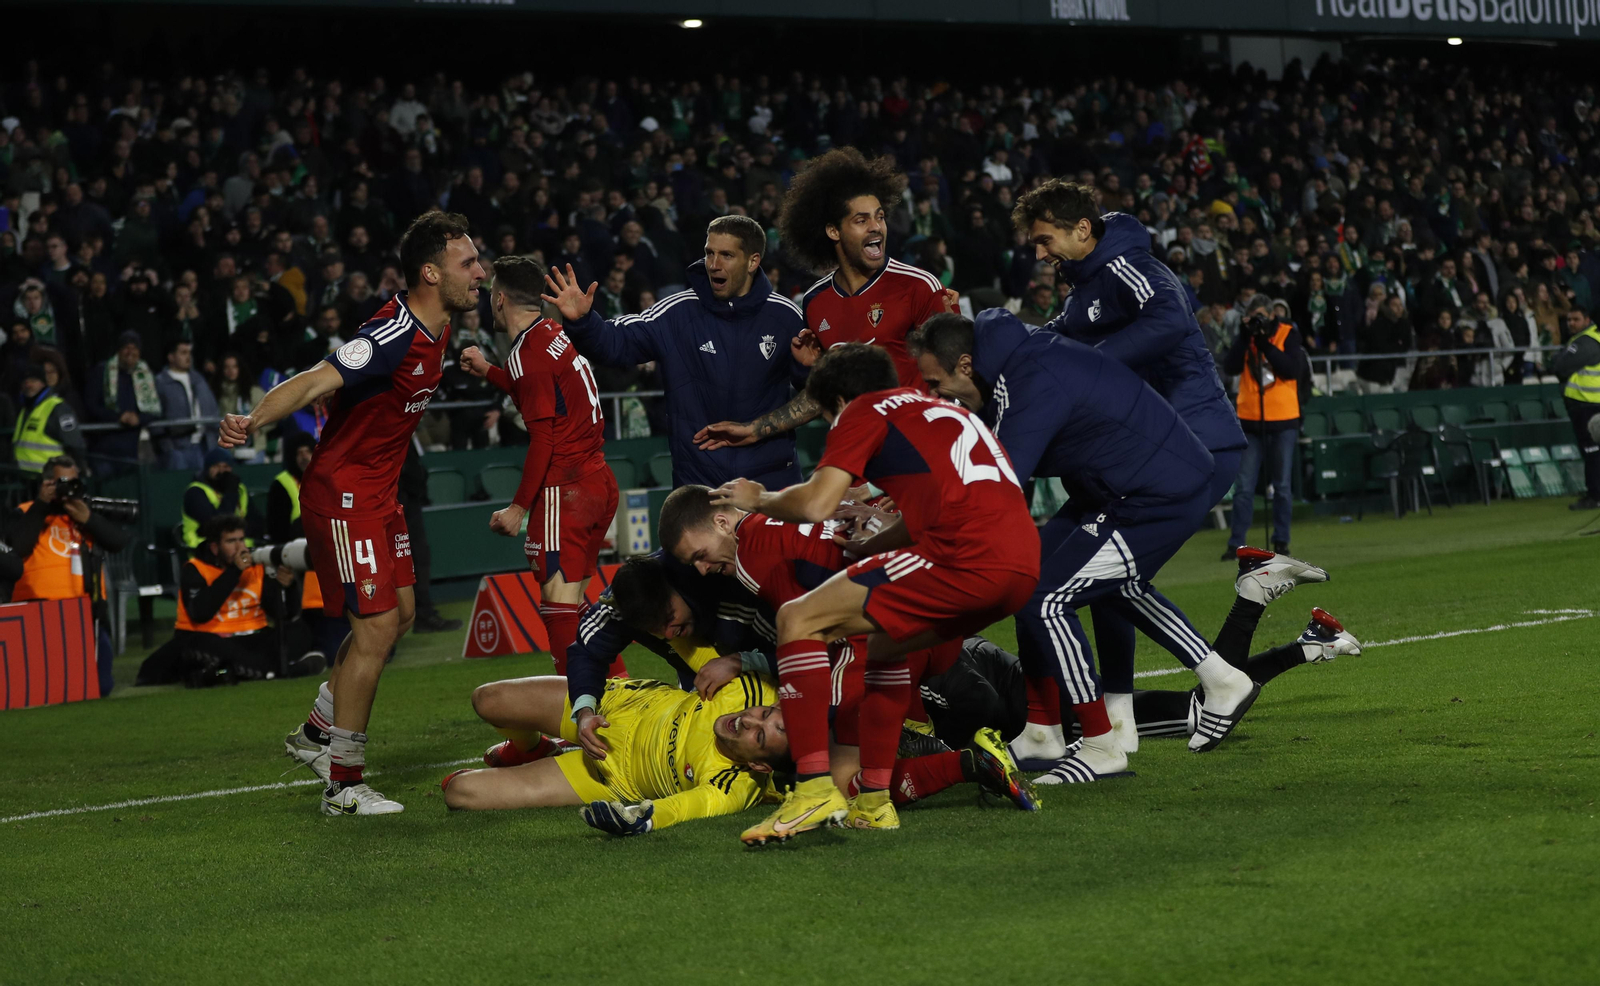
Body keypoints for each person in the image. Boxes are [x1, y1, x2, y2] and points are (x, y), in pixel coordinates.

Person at [909, 312, 1326, 783]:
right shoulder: (1015, 365)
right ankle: (1050, 731)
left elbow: (998, 478)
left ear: (965, 365)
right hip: (1119, 487)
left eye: (934, 381)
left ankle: (1102, 745)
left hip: (1152, 494)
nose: (932, 392)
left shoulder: (1028, 377)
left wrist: (913, 524)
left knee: (1047, 597)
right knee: (1040, 580)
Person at [709, 343, 1039, 844]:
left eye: (826, 415)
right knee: (883, 645)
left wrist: (761, 499)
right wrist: (871, 546)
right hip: (1020, 564)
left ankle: (813, 787)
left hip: (962, 558)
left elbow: (818, 504)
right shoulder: (941, 410)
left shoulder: (864, 410)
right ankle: (875, 803)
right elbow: (928, 513)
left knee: (797, 619)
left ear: (840, 401)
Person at [221, 210, 486, 817]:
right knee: (372, 629)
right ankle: (343, 785)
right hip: (344, 494)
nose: (479, 272)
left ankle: (317, 732)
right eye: (467, 263)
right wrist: (252, 420)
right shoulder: (392, 333)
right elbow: (318, 380)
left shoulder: (439, 327)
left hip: (380, 492)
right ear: (430, 272)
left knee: (403, 615)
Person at [1009, 179, 1249, 762]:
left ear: (1081, 230)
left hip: (1195, 444)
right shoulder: (1083, 286)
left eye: (1045, 239)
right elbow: (1054, 347)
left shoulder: (1128, 263)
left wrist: (1087, 368)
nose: (1038, 253)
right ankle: (1100, 720)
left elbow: (1170, 318)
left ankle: (1200, 686)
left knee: (1092, 578)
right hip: (1136, 457)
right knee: (1059, 573)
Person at [656, 484, 1036, 811]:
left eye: (700, 555)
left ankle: (960, 763)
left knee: (841, 779)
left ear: (722, 522)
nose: (703, 569)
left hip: (887, 627)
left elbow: (812, 630)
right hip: (935, 616)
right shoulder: (788, 507)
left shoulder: (751, 554)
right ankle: (921, 738)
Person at [695, 148, 955, 450]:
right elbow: (822, 396)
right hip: (857, 463)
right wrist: (755, 430)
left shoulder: (919, 286)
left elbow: (951, 386)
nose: (875, 227)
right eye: (861, 220)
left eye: (879, 217)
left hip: (916, 461)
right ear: (833, 230)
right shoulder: (817, 302)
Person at [541, 214, 809, 489]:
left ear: (753, 261)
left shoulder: (786, 316)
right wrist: (584, 322)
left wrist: (806, 368)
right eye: (709, 253)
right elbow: (615, 343)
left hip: (772, 483)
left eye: (726, 255)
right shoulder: (677, 314)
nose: (714, 265)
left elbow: (815, 393)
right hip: (700, 485)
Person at [458, 254, 617, 674]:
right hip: (597, 482)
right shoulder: (552, 334)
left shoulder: (526, 355)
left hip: (567, 491)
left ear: (500, 300)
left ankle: (577, 714)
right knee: (580, 613)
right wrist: (490, 371)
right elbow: (539, 395)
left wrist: (518, 508)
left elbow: (543, 438)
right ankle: (619, 700)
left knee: (559, 613)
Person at [440, 670, 783, 831]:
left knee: (459, 792)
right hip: (617, 704)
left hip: (605, 777)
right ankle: (531, 748)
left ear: (759, 765)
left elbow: (683, 808)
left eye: (759, 737)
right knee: (486, 699)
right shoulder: (751, 688)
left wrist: (640, 819)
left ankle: (550, 754)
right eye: (764, 715)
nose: (748, 722)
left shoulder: (734, 785)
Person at [135, 514, 323, 687]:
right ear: (215, 547)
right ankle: (285, 670)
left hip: (251, 639)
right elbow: (201, 613)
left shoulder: (256, 567)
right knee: (196, 645)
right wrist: (234, 572)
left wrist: (288, 586)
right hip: (211, 638)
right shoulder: (195, 569)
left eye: (241, 539)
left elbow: (284, 615)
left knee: (299, 631)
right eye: (231, 541)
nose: (240, 547)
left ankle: (236, 671)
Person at [7, 454, 131, 696]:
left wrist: (89, 519)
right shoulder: (25, 512)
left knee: (101, 685)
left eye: (73, 481)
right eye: (62, 482)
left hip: (86, 608)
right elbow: (17, 547)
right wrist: (42, 504)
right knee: (48, 688)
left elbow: (118, 542)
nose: (68, 488)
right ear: (46, 483)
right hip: (39, 609)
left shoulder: (82, 512)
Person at [1223, 295, 1304, 557]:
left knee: (1281, 486)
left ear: (1271, 315)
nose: (1258, 321)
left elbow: (1290, 369)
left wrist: (1265, 344)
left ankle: (1281, 541)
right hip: (1250, 420)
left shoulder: (1288, 333)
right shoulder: (1246, 337)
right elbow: (1231, 366)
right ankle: (1237, 543)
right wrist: (1246, 338)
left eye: (1261, 315)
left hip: (1283, 418)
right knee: (1244, 487)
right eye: (1252, 315)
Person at [267, 430, 345, 660]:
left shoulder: (328, 477)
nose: (303, 457)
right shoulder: (282, 484)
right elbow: (276, 530)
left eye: (308, 451)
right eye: (298, 453)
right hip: (298, 557)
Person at [84, 331, 161, 476]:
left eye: (134, 348)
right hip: (103, 450)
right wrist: (118, 417)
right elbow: (91, 404)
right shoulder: (102, 371)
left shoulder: (145, 375)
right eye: (126, 347)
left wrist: (139, 419)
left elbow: (155, 410)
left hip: (131, 451)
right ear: (118, 350)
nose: (130, 352)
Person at [1552, 306, 1600, 510]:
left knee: (1591, 451)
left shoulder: (1586, 341)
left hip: (1587, 402)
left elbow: (1559, 367)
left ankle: (1595, 495)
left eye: (1576, 319)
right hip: (1591, 402)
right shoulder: (1591, 337)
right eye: (1569, 319)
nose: (1571, 323)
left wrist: (1557, 358)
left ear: (1587, 319)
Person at [154, 340, 219, 473]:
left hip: (204, 445)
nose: (188, 357)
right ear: (171, 357)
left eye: (189, 352)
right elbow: (155, 419)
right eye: (183, 352)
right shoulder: (161, 383)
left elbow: (213, 410)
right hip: (177, 449)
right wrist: (168, 448)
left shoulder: (199, 379)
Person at [12, 364, 86, 475]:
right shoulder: (25, 409)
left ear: (43, 383)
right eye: (25, 382)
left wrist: (81, 468)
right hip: (26, 479)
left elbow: (74, 443)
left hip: (51, 479)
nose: (28, 385)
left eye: (33, 380)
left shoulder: (58, 408)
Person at [181, 449, 251, 551]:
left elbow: (256, 522)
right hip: (205, 551)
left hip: (242, 549)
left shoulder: (239, 489)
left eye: (226, 467)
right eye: (216, 466)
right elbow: (218, 526)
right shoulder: (195, 492)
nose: (222, 471)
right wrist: (231, 492)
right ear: (207, 470)